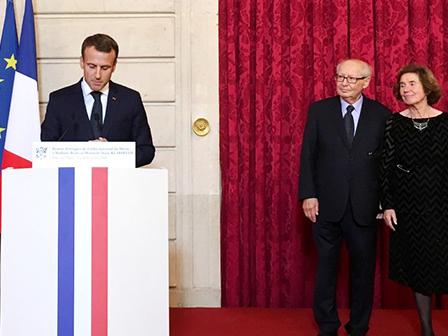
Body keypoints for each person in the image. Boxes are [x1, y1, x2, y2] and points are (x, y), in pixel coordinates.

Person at [299, 59, 391, 336]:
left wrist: (386, 203)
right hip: (325, 205)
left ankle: (359, 327)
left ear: (366, 82)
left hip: (364, 207)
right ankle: (327, 326)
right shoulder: (319, 110)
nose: (344, 82)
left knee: (363, 274)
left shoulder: (382, 114)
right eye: (340, 76)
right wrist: (308, 194)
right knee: (326, 270)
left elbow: (386, 164)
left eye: (352, 79)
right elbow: (308, 156)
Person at [381, 64, 448, 336]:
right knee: (419, 266)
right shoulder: (394, 123)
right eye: (402, 85)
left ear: (426, 87)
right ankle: (426, 329)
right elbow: (385, 167)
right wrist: (388, 204)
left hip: (443, 206)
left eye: (411, 84)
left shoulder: (445, 123)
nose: (405, 89)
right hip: (408, 208)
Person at [41, 33, 155, 167]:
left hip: (117, 183)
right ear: (81, 62)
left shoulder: (130, 100)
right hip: (73, 184)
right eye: (92, 66)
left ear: (114, 66)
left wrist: (112, 154)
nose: (97, 75)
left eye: (105, 68)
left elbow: (146, 151)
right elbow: (46, 150)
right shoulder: (59, 100)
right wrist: (85, 154)